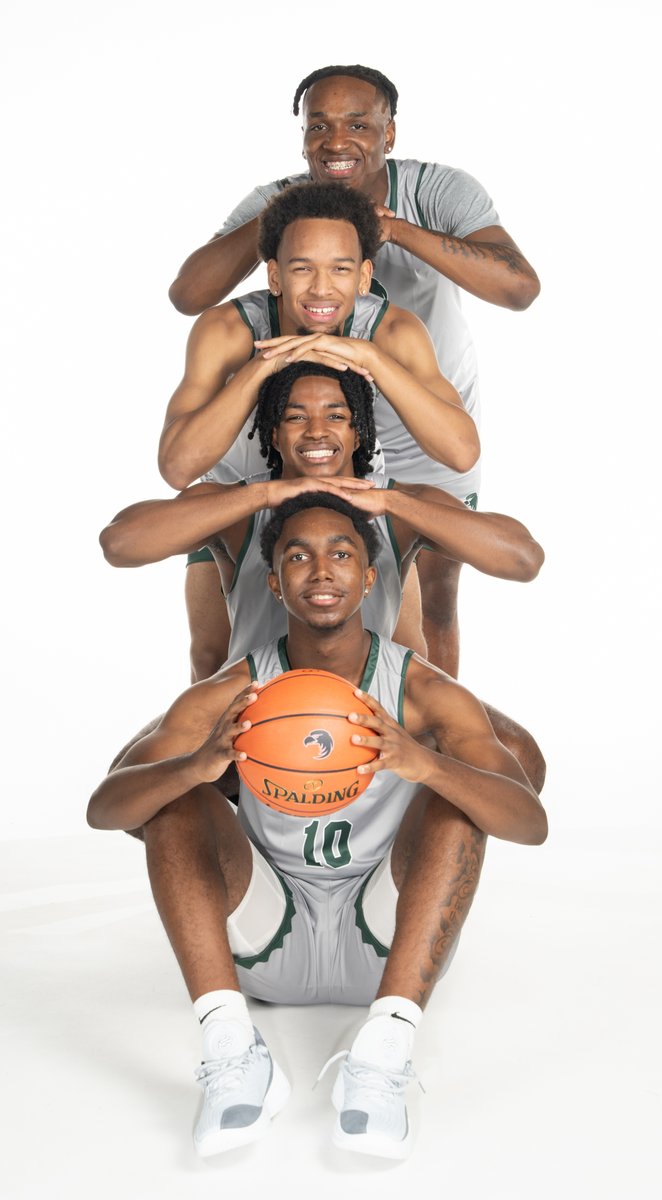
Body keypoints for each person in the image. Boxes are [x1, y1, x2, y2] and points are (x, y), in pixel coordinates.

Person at [88, 494, 548, 1161]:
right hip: (266, 944)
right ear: (273, 582)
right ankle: (231, 1049)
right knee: (178, 798)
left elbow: (529, 823)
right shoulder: (236, 692)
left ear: (370, 577)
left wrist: (425, 766)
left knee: (458, 802)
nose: (321, 571)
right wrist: (199, 764)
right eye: (297, 556)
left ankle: (385, 1051)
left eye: (341, 553)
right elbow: (107, 808)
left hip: (390, 947)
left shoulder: (422, 693)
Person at [167, 63, 541, 675]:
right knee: (232, 625)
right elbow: (188, 294)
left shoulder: (432, 209)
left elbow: (519, 288)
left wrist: (387, 230)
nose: (336, 140)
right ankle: (240, 752)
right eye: (318, 125)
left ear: (390, 134)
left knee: (424, 611)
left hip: (407, 412)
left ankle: (423, 739)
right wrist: (297, 218)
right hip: (285, 424)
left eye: (358, 124)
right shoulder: (259, 260)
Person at [101, 361, 546, 790]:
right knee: (136, 782)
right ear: (273, 433)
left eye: (336, 415)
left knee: (516, 757)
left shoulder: (398, 505)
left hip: (369, 710)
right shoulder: (240, 505)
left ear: (358, 432)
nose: (317, 430)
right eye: (296, 417)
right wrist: (266, 494)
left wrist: (392, 504)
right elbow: (120, 544)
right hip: (259, 712)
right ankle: (248, 839)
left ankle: (396, 823)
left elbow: (523, 559)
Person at [159, 180, 479, 683]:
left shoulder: (391, 331)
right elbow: (177, 468)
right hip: (242, 500)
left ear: (365, 275)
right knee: (214, 658)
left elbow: (461, 452)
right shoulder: (227, 329)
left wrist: (371, 358)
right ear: (275, 275)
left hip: (341, 488)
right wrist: (260, 369)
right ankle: (232, 758)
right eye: (303, 268)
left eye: (341, 270)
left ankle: (403, 757)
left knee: (407, 652)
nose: (322, 289)